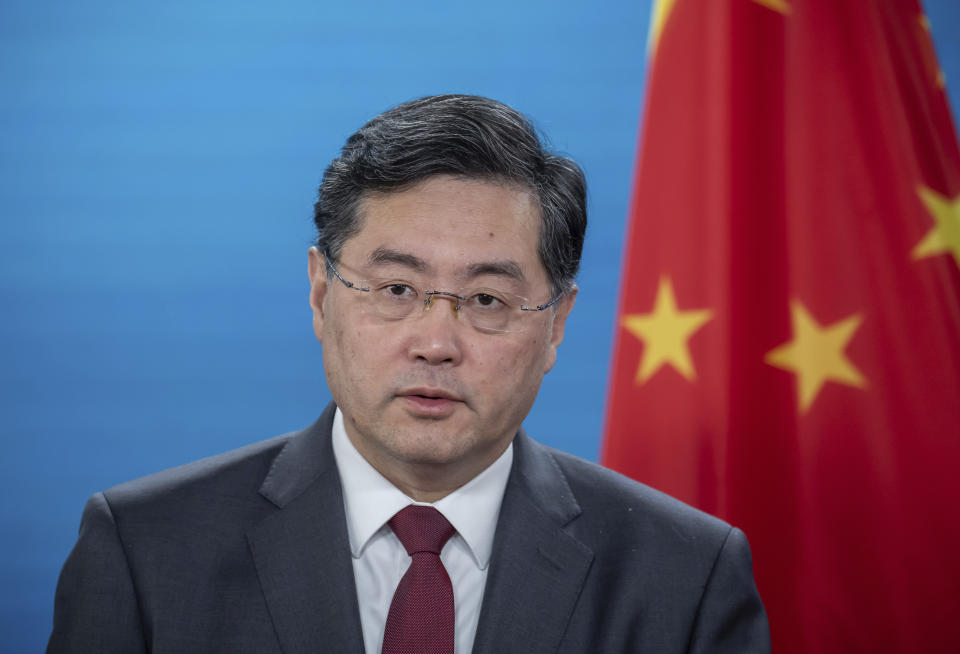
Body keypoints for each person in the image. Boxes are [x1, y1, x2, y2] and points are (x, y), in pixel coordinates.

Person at [47, 94, 770, 653]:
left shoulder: (685, 578)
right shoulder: (146, 550)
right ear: (322, 293)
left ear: (556, 323)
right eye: (396, 290)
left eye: (487, 299)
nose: (436, 342)